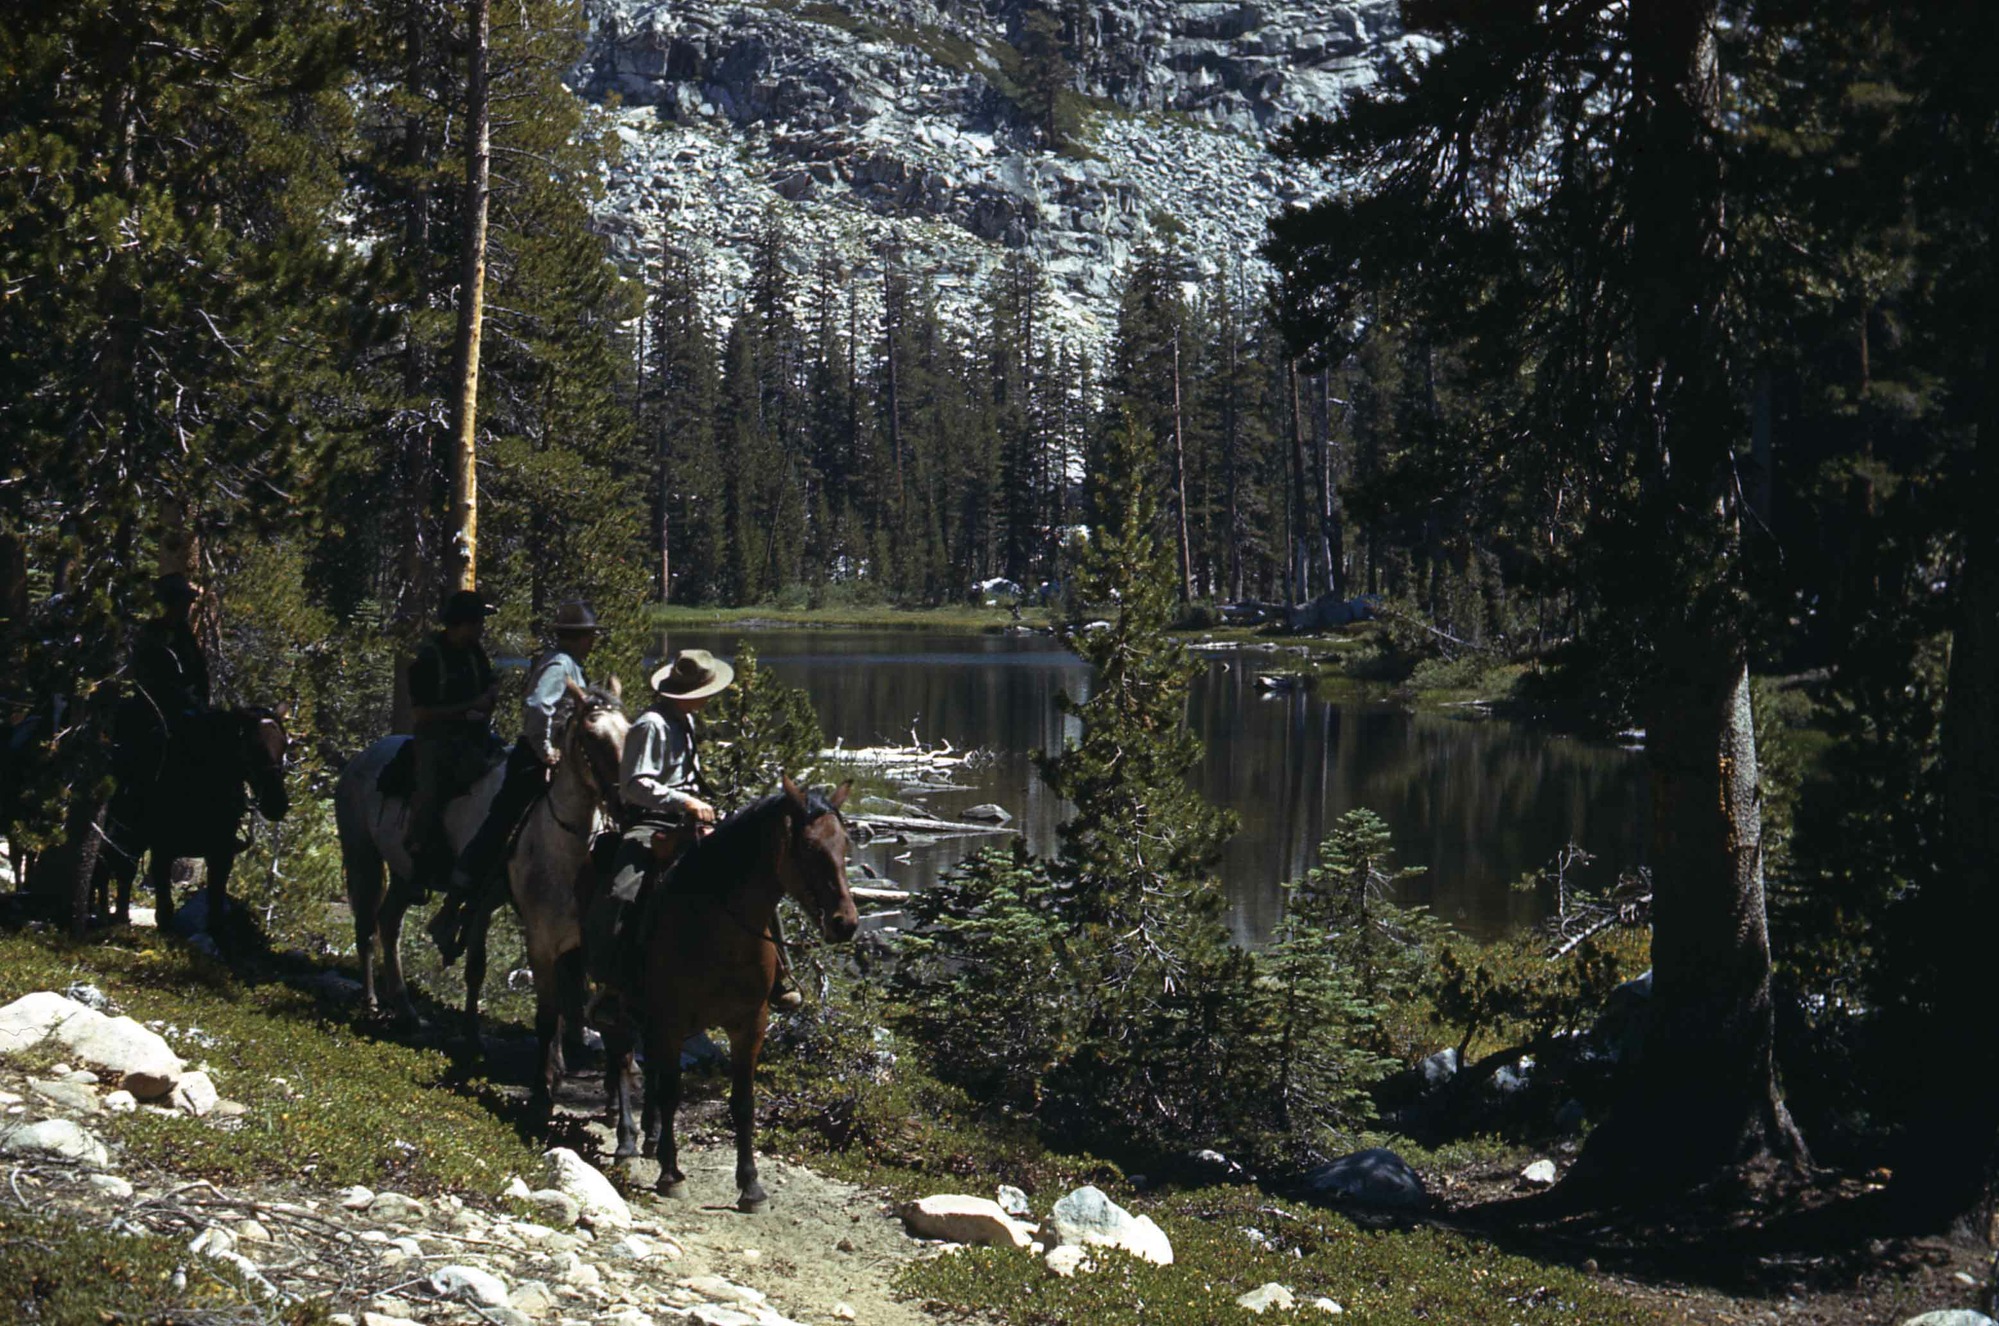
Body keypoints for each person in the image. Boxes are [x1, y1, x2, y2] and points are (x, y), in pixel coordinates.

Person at [584, 649, 802, 1019]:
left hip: (692, 820)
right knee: (624, 890)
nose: (711, 697)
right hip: (652, 822)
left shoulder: (683, 719)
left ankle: (780, 971)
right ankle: (613, 983)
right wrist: (683, 801)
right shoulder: (651, 725)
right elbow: (634, 785)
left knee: (758, 875)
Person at [429, 599, 604, 963]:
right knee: (502, 820)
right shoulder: (560, 665)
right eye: (589, 636)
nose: (592, 642)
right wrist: (544, 751)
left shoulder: (572, 664)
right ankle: (460, 893)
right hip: (535, 758)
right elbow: (540, 706)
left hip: (560, 759)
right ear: (577, 637)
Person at [403, 589, 501, 892]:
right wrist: (468, 708)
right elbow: (420, 713)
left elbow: (488, 689)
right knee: (430, 792)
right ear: (461, 623)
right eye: (476, 623)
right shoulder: (428, 656)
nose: (481, 629)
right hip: (436, 738)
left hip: (475, 735)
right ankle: (419, 853)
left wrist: (488, 701)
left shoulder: (476, 653)